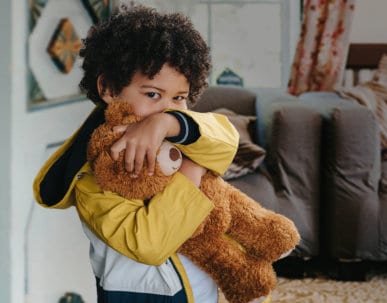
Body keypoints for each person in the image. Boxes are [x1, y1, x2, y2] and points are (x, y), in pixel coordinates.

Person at [32, 3, 241, 303]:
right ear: (108, 88)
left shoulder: (176, 131)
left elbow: (227, 140)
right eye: (153, 94)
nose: (167, 107)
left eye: (179, 98)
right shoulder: (93, 177)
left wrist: (165, 122)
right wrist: (192, 170)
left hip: (199, 292)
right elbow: (149, 245)